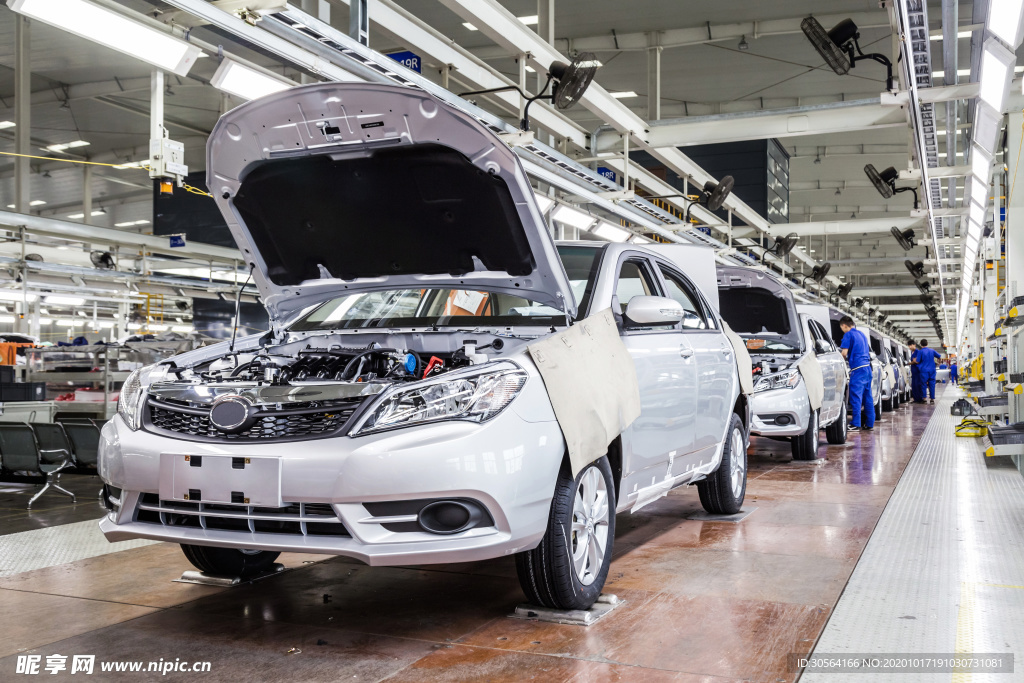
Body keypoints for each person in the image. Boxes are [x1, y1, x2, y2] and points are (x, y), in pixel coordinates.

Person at [839, 316, 874, 431]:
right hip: (867, 369)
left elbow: (844, 353)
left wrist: (839, 362)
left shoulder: (848, 335)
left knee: (856, 397)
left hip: (858, 370)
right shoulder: (862, 335)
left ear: (844, 325)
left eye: (841, 328)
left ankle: (855, 423)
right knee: (867, 397)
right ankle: (869, 424)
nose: (842, 330)